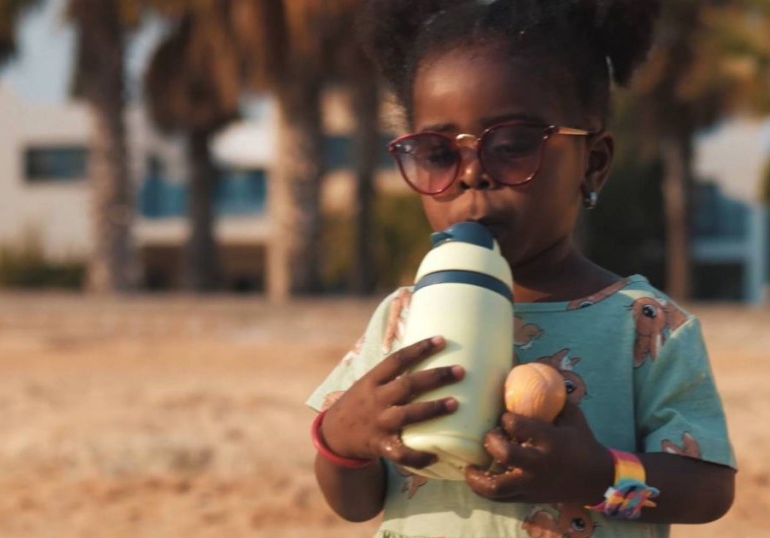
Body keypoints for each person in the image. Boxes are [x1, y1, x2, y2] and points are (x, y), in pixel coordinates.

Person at [306, 1, 736, 536]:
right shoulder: (402, 317)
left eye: (512, 146)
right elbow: (356, 504)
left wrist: (600, 477)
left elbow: (706, 491)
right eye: (437, 154)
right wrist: (342, 444)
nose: (471, 175)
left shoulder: (645, 324)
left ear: (593, 162)